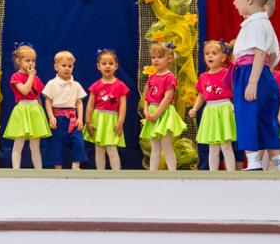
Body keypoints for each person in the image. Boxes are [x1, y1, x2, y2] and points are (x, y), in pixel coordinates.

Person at [230, 0, 280, 171]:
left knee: (247, 117)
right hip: (263, 74)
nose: (234, 3)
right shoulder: (265, 23)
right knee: (266, 120)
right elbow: (273, 55)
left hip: (250, 73)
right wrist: (264, 74)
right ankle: (279, 163)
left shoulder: (254, 24)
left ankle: (253, 161)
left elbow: (261, 52)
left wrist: (252, 82)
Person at [189, 40, 235, 171]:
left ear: (223, 57)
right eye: (207, 53)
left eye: (214, 53)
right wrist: (195, 108)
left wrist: (235, 105)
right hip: (210, 110)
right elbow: (201, 95)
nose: (210, 56)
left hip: (225, 108)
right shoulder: (203, 76)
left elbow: (236, 90)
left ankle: (231, 174)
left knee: (226, 145)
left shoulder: (227, 73)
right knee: (213, 146)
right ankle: (213, 174)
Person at [140, 42, 187, 171]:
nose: (155, 60)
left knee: (166, 145)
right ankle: (153, 173)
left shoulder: (169, 77)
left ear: (169, 58)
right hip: (152, 112)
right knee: (154, 146)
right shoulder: (152, 77)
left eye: (159, 57)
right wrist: (146, 110)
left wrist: (156, 114)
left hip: (163, 113)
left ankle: (172, 173)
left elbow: (167, 99)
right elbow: (147, 96)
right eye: (153, 57)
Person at [4, 43, 51, 169]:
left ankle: (38, 170)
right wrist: (31, 76)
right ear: (18, 61)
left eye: (33, 61)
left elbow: (38, 96)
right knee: (18, 144)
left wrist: (41, 112)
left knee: (35, 146)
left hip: (35, 111)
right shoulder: (16, 76)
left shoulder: (36, 78)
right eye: (27, 60)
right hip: (22, 110)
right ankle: (16, 170)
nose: (31, 63)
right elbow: (24, 91)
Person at [84, 49, 129, 171]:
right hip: (98, 119)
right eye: (104, 63)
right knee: (99, 148)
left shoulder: (121, 86)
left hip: (112, 120)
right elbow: (90, 105)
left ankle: (116, 174)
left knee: (112, 148)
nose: (107, 66)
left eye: (110, 63)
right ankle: (100, 174)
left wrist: (120, 121)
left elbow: (123, 106)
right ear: (98, 66)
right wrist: (88, 121)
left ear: (116, 66)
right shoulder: (95, 86)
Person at [42, 50, 88, 170]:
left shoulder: (76, 85)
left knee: (78, 141)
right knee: (56, 143)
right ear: (56, 67)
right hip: (58, 118)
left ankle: (76, 165)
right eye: (64, 65)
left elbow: (79, 102)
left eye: (70, 66)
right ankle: (58, 168)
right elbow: (48, 101)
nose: (67, 68)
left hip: (73, 118)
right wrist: (51, 117)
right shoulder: (52, 83)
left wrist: (80, 118)